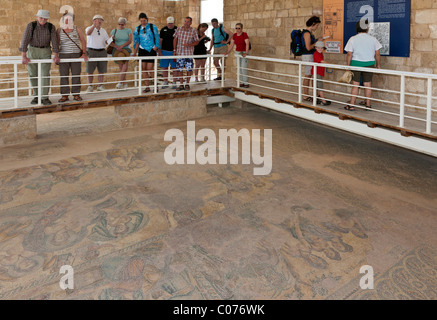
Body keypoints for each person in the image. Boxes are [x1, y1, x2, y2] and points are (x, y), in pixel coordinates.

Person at [19, 9, 60, 105]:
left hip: (45, 51)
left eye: (45, 18)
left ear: (47, 19)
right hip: (32, 50)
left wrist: (56, 55)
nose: (43, 20)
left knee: (45, 74)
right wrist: (23, 56)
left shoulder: (51, 27)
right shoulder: (31, 25)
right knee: (33, 74)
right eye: (41, 17)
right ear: (37, 17)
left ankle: (44, 97)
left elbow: (54, 41)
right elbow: (25, 40)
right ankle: (36, 96)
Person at [344, 19, 382, 111]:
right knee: (368, 84)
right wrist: (378, 65)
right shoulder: (373, 39)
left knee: (355, 85)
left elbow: (349, 54)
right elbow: (377, 54)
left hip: (356, 63)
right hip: (369, 64)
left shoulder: (353, 39)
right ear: (367, 28)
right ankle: (368, 105)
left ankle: (352, 104)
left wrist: (348, 66)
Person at [57, 12, 88, 102]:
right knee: (64, 75)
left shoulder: (77, 28)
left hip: (76, 55)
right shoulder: (59, 30)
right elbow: (57, 43)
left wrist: (84, 53)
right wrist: (56, 55)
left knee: (76, 75)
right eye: (66, 19)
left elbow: (83, 41)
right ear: (63, 20)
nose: (67, 20)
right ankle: (64, 95)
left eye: (70, 19)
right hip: (63, 55)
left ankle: (76, 94)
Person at [133, 12, 161, 93]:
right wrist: (135, 52)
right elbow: (136, 41)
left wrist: (156, 47)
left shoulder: (152, 27)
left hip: (151, 49)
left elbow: (157, 37)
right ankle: (147, 86)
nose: (143, 22)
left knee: (150, 69)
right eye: (141, 21)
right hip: (142, 50)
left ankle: (155, 85)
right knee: (143, 69)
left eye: (144, 20)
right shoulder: (137, 29)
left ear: (147, 19)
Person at [173, 16, 199, 91]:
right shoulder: (179, 29)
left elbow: (197, 41)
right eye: (185, 21)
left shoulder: (193, 31)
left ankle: (187, 84)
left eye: (188, 22)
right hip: (180, 53)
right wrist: (174, 50)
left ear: (191, 23)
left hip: (189, 53)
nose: (186, 23)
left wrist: (189, 45)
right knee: (179, 69)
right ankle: (181, 84)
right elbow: (175, 39)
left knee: (189, 69)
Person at [86, 15, 111, 92]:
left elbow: (107, 41)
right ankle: (90, 86)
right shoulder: (89, 28)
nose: (100, 22)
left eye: (101, 20)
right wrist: (94, 26)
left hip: (102, 51)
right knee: (90, 70)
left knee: (101, 70)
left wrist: (111, 39)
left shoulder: (103, 31)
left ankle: (100, 85)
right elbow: (88, 33)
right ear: (94, 21)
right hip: (91, 51)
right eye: (98, 20)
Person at [301, 16, 323, 102]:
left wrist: (317, 40)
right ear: (313, 24)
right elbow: (308, 47)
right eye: (317, 25)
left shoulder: (310, 33)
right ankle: (305, 95)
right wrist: (317, 42)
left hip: (311, 56)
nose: (317, 27)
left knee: (311, 75)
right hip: (308, 56)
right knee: (308, 76)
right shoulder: (306, 34)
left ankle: (312, 94)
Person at [110, 17, 133, 89]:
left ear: (125, 24)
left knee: (125, 65)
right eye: (119, 24)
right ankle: (125, 83)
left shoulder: (128, 31)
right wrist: (117, 47)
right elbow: (109, 41)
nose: (121, 25)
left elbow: (130, 40)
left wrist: (122, 46)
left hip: (126, 48)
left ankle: (120, 82)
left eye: (122, 24)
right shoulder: (114, 31)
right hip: (117, 49)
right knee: (121, 67)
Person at [226, 23, 250, 88]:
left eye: (239, 28)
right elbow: (231, 44)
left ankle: (246, 82)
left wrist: (246, 52)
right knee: (239, 68)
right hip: (237, 53)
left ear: (241, 28)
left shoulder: (244, 34)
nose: (237, 29)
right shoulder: (234, 35)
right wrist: (227, 52)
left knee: (243, 68)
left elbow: (247, 43)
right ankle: (241, 82)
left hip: (244, 52)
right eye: (236, 28)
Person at [159, 16, 178, 89]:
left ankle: (174, 82)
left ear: (174, 23)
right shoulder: (163, 30)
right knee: (164, 67)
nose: (170, 25)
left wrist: (176, 50)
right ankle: (165, 81)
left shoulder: (177, 29)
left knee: (174, 67)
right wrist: (159, 51)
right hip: (164, 51)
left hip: (174, 52)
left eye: (171, 23)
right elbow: (161, 40)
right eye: (169, 23)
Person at [311, 41, 331, 106]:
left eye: (322, 48)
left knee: (317, 86)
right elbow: (321, 61)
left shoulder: (320, 53)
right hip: (316, 72)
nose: (320, 49)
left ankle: (317, 98)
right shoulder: (316, 54)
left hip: (319, 72)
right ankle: (323, 100)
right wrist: (328, 64)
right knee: (320, 86)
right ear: (316, 48)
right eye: (318, 48)